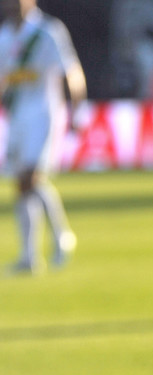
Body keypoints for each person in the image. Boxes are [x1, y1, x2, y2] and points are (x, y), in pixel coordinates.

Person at [0, 0, 85, 275]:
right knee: (23, 185)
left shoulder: (48, 31)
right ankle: (30, 256)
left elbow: (71, 71)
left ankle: (60, 237)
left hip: (45, 114)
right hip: (17, 118)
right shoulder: (4, 36)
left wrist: (77, 109)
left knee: (30, 178)